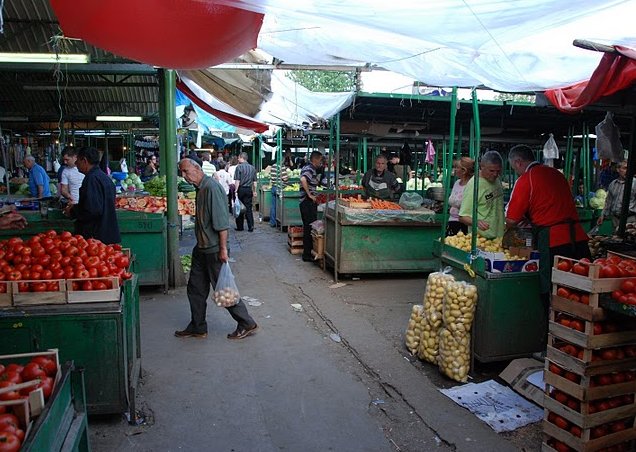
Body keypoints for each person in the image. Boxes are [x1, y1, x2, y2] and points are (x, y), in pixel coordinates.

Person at [506, 145, 590, 331]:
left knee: (551, 289)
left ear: (519, 162)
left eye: (514, 167)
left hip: (553, 240)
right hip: (578, 237)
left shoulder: (526, 179)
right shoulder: (556, 174)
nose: (516, 171)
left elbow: (511, 219)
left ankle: (553, 335)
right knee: (582, 288)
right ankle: (583, 333)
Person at [175, 158, 258, 340]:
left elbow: (221, 224)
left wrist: (223, 249)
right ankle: (198, 326)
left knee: (224, 290)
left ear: (197, 169)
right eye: (181, 172)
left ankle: (246, 322)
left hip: (213, 249)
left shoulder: (211, 188)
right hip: (202, 248)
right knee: (195, 288)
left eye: (186, 171)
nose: (184, 176)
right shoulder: (201, 188)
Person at [63, 147, 121, 244]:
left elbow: (92, 210)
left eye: (77, 161)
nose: (76, 164)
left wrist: (73, 211)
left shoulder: (91, 179)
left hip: (96, 237)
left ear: (84, 160)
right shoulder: (104, 178)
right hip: (108, 234)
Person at [458, 151, 505, 239]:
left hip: (499, 237)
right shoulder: (474, 185)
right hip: (481, 239)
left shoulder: (497, 179)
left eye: (498, 171)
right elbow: (462, 216)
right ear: (481, 166)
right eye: (491, 171)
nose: (495, 174)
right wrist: (476, 222)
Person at [299, 151, 324, 262]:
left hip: (307, 202)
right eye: (320, 160)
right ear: (316, 159)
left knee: (308, 227)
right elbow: (303, 179)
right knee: (309, 228)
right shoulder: (309, 168)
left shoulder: (309, 168)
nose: (321, 162)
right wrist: (309, 194)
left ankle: (308, 253)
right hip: (307, 202)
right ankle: (307, 254)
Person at [598, 160, 636, 231]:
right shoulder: (613, 184)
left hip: (630, 220)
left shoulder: (634, 183)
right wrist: (602, 215)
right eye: (625, 168)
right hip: (615, 220)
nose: (627, 171)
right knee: (616, 239)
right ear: (618, 169)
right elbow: (608, 202)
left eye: (629, 169)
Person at [447, 157, 474, 236]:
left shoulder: (471, 185)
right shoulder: (457, 182)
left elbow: (468, 205)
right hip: (452, 219)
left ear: (464, 171)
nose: (454, 170)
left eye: (457, 168)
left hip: (464, 222)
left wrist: (455, 203)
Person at [233, 152, 257, 232]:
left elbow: (237, 180)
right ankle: (251, 226)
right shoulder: (252, 168)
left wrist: (236, 190)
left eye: (239, 158)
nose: (238, 159)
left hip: (241, 189)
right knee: (248, 208)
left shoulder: (238, 167)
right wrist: (254, 191)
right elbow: (255, 182)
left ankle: (240, 227)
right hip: (249, 189)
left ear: (241, 158)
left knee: (239, 207)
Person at [269, 161, 290, 227]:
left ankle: (272, 222)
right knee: (280, 206)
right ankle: (280, 222)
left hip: (273, 187)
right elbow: (285, 178)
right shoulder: (281, 167)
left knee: (273, 206)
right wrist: (288, 176)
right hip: (279, 188)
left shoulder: (273, 166)